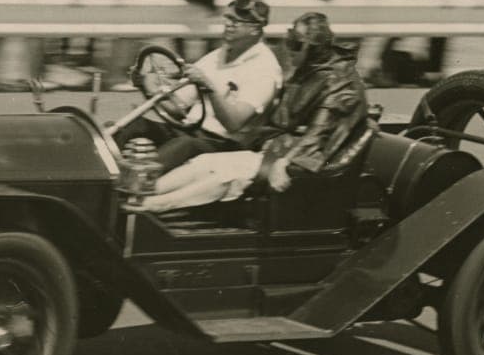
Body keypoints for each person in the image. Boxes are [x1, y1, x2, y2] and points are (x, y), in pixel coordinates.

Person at [136, 12, 369, 213]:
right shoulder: (309, 68)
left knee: (223, 174)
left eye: (296, 44)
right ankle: (139, 193)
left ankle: (156, 204)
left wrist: (285, 162)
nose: (289, 48)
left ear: (315, 50)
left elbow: (319, 132)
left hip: (300, 160)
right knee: (203, 161)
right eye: (289, 39)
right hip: (273, 149)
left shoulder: (340, 86)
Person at [114, 0, 282, 172]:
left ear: (255, 28)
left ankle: (134, 183)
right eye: (227, 18)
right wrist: (146, 85)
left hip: (226, 144)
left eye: (236, 21)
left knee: (184, 145)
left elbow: (234, 123)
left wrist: (208, 87)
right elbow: (177, 109)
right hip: (191, 131)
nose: (228, 24)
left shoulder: (264, 68)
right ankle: (101, 175)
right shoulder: (219, 55)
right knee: (132, 127)